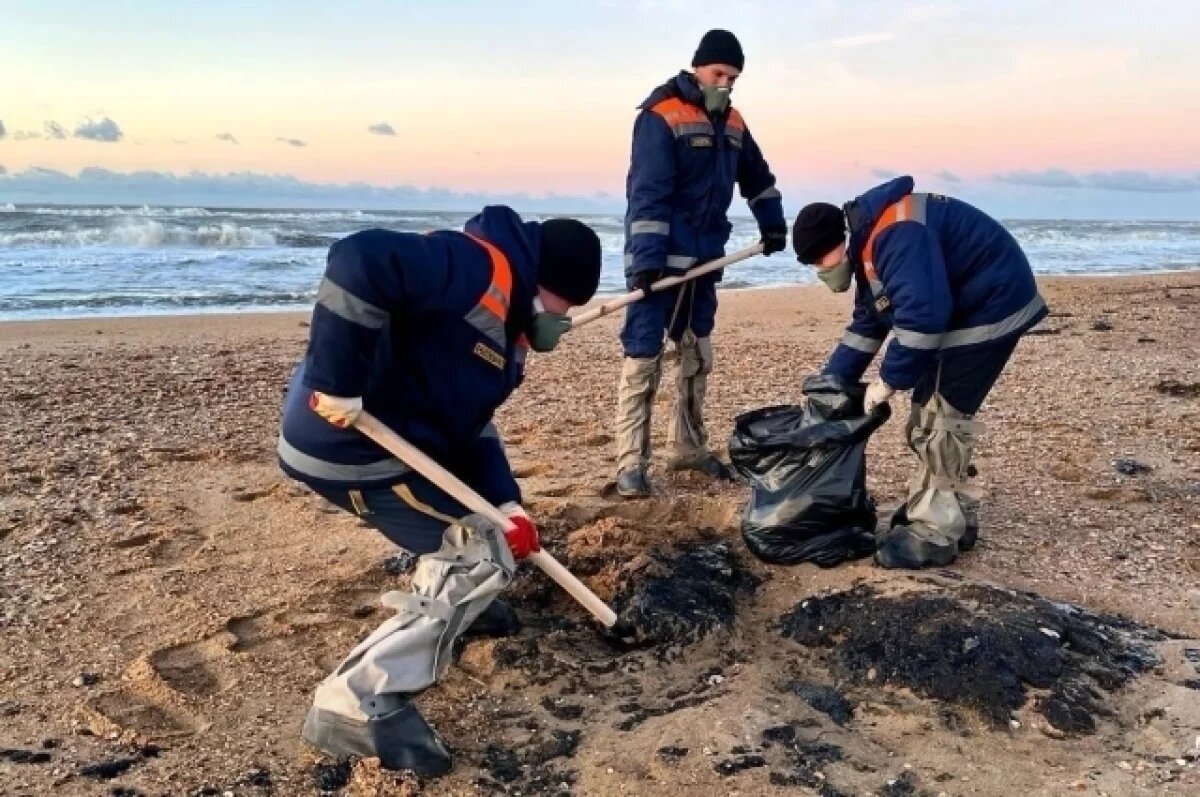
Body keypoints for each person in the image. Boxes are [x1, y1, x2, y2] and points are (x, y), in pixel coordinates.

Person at [276, 205, 602, 775]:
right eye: (564, 306)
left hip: (406, 447)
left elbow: (471, 425)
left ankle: (459, 606)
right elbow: (359, 259)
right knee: (479, 554)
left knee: (494, 536)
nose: (564, 320)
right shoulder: (472, 268)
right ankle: (353, 700)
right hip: (353, 447)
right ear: (545, 282)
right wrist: (338, 382)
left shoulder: (509, 333)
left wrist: (506, 502)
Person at [791, 175, 1048, 569]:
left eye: (818, 261)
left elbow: (924, 321)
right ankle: (955, 513)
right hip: (969, 303)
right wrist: (831, 384)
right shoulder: (869, 245)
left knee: (939, 417)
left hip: (991, 305)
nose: (819, 271)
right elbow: (868, 324)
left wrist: (886, 383)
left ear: (837, 243)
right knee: (932, 411)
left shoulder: (896, 237)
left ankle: (935, 532)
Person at [615, 28, 787, 498]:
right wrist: (647, 261)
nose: (726, 84)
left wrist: (772, 222)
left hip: (706, 261)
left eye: (733, 78)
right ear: (698, 67)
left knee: (696, 353)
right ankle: (631, 462)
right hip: (660, 261)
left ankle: (688, 448)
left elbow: (758, 176)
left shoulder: (733, 122)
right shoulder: (661, 115)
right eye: (719, 74)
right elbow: (647, 192)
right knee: (644, 356)